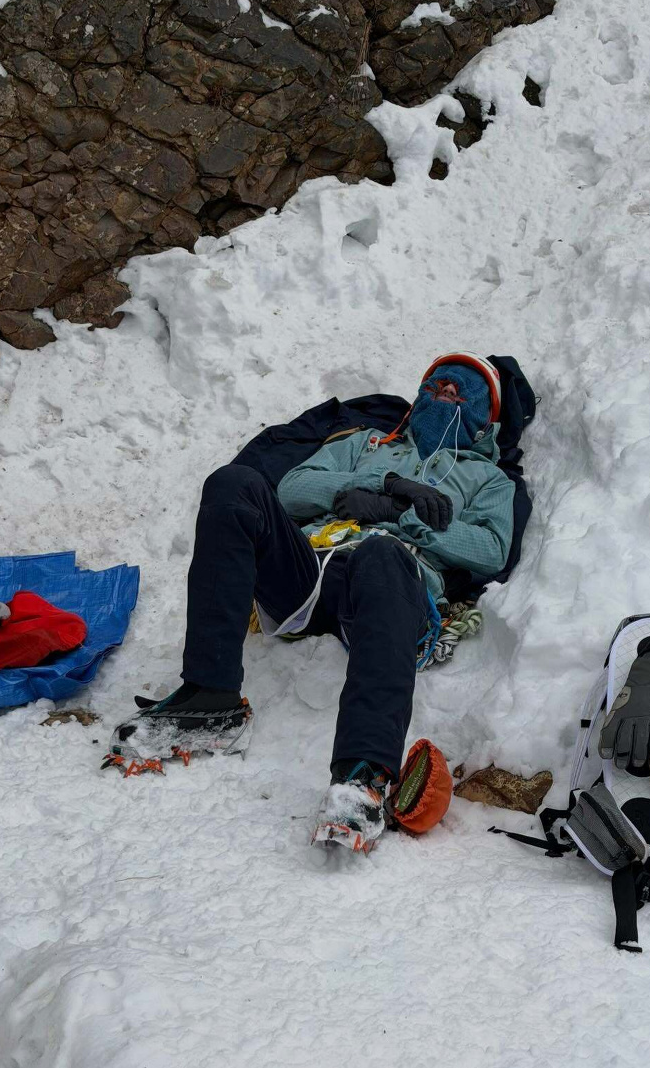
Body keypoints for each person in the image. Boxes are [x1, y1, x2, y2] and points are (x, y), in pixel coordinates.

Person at [108, 353, 516, 852]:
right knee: (234, 485)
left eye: (457, 394)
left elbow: (490, 551)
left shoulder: (489, 481)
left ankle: (362, 776)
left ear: (481, 419)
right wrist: (376, 483)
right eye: (434, 387)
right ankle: (209, 698)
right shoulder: (363, 443)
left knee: (382, 553)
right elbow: (293, 489)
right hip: (310, 568)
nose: (441, 398)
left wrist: (403, 513)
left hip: (387, 588)